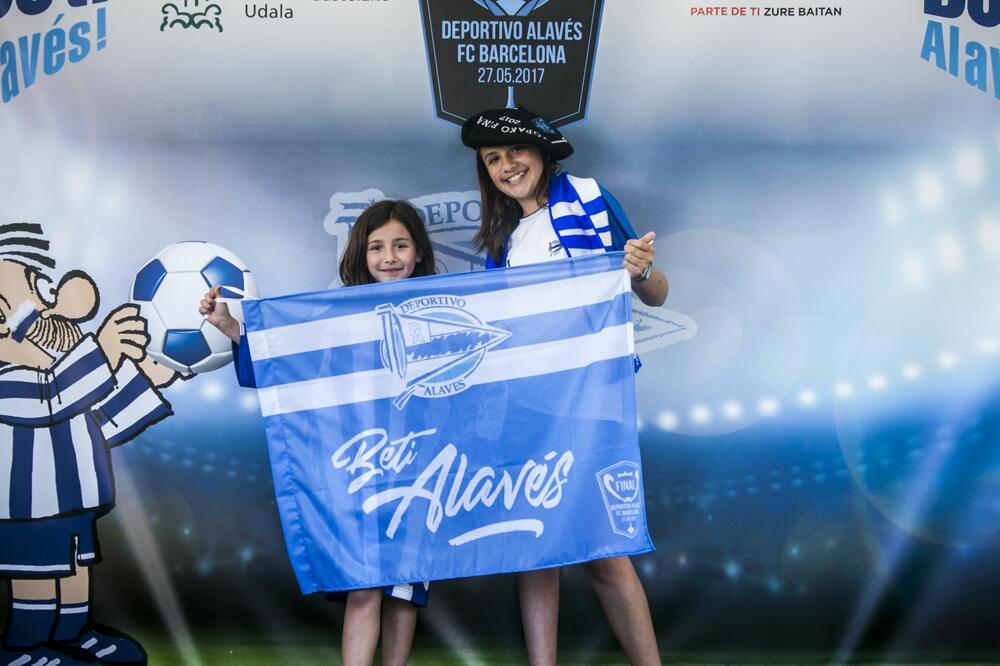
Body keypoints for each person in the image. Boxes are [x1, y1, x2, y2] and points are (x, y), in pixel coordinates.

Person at [461, 107, 667, 666]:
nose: (507, 166)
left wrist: (642, 270)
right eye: (492, 159)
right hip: (527, 405)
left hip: (592, 400)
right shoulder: (502, 240)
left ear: (542, 152)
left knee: (605, 550)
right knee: (537, 545)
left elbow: (656, 294)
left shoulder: (590, 198)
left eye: (515, 151)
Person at [198, 200, 435, 666]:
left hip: (421, 472)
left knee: (405, 590)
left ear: (420, 252)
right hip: (360, 473)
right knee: (363, 586)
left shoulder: (442, 309)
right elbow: (290, 369)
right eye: (377, 247)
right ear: (361, 255)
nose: (389, 257)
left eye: (400, 245)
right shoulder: (338, 318)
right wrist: (229, 325)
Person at [0, 222, 180, 666]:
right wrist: (103, 350)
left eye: (41, 297)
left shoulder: (66, 377)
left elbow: (100, 421)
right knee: (38, 576)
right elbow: (50, 398)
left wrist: (151, 376)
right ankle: (24, 648)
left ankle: (73, 634)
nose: (38, 322)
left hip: (73, 500)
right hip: (27, 508)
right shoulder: (8, 380)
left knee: (75, 569)